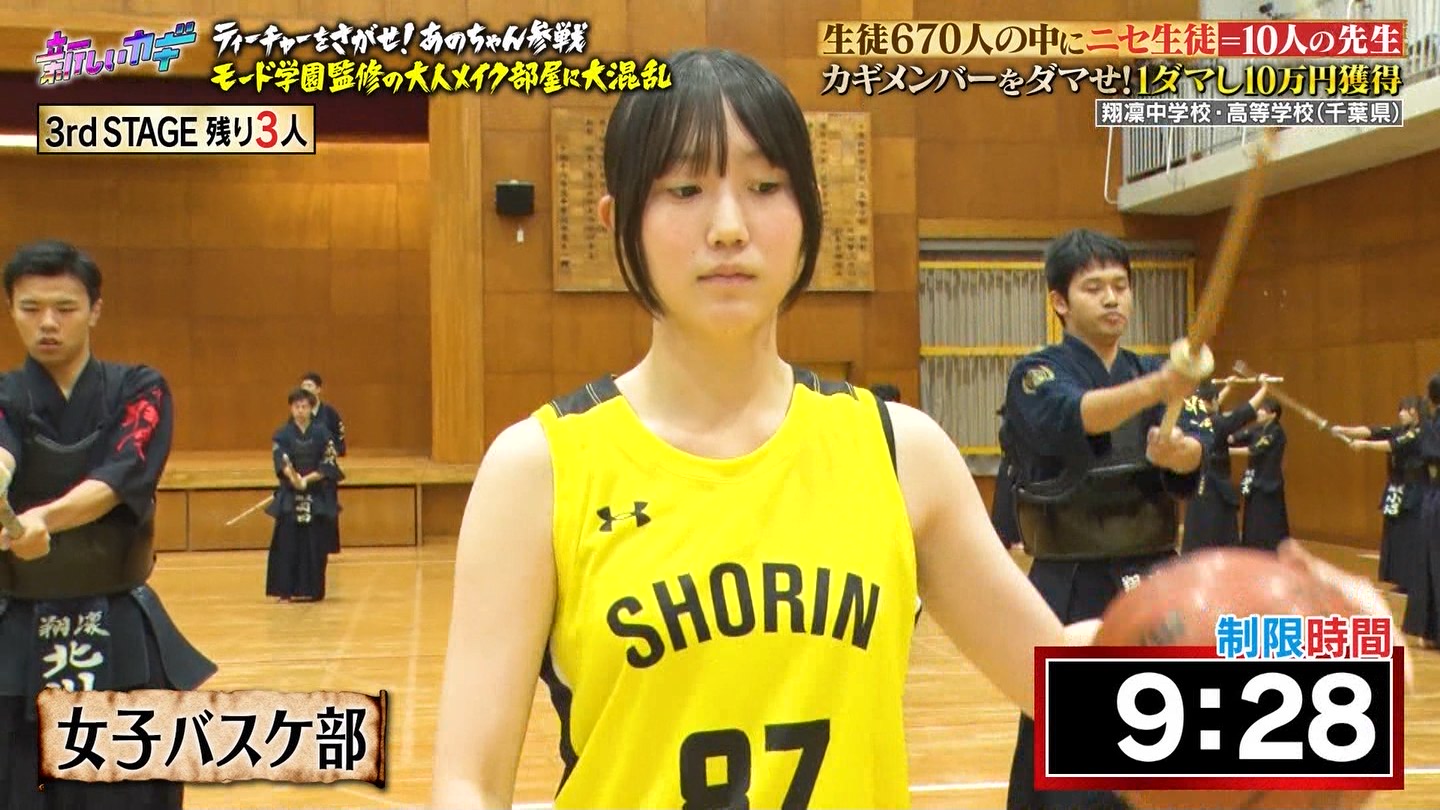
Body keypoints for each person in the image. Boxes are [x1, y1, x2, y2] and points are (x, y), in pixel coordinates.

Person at [425, 49, 1402, 810]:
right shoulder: (541, 467)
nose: (728, 225)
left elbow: (1070, 696)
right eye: (684, 189)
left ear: (808, 215)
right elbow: (468, 778)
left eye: (764, 187)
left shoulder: (899, 453)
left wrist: (1338, 677)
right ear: (616, 222)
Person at [998, 227, 1214, 810]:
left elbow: (1198, 445)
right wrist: (1159, 386)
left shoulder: (1157, 373)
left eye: (1120, 285)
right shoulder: (1037, 375)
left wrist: (1179, 452)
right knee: (1070, 748)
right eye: (1093, 288)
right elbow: (1079, 416)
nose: (1112, 298)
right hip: (1072, 581)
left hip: (1153, 574)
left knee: (1161, 730)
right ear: (1060, 302)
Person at [0, 239, 216, 810]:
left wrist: (43, 519)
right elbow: (4, 448)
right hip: (18, 629)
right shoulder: (5, 396)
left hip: (117, 626)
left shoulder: (140, 389)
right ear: (11, 310)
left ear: (95, 309)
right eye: (30, 308)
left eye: (65, 308)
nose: (48, 323)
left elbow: (120, 475)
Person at [1331, 396, 1428, 593]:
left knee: (1411, 535)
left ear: (1416, 411)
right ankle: (1401, 578)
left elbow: (1393, 445)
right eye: (1400, 409)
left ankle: (1416, 580)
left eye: (1406, 409)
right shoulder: (1400, 430)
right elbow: (1373, 431)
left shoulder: (1420, 433)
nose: (1401, 413)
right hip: (1396, 489)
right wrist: (1344, 430)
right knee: (1395, 534)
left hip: (1414, 491)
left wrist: (1363, 446)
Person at [265, 387, 343, 603]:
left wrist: (306, 480)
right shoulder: (282, 434)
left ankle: (313, 590)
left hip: (316, 494)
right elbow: (281, 461)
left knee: (315, 543)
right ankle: (285, 591)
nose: (300, 410)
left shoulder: (322, 433)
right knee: (287, 543)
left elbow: (328, 464)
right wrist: (294, 478)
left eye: (304, 406)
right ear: (291, 408)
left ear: (311, 408)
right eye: (297, 406)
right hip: (290, 495)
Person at [1180, 377, 1267, 553]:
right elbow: (1244, 413)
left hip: (1196, 484)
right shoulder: (1216, 424)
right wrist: (1264, 388)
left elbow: (1212, 404)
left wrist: (1228, 387)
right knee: (1217, 533)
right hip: (1215, 488)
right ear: (1212, 401)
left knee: (1198, 528)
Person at [1399, 374, 1440, 646]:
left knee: (1433, 562)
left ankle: (1433, 631)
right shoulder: (1431, 425)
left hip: (1435, 499)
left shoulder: (1431, 426)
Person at [1233, 397, 1289, 551]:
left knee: (1268, 518)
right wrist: (1226, 436)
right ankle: (1251, 546)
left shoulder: (1276, 432)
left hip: (1268, 482)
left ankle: (1270, 548)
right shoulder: (1257, 429)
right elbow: (1236, 438)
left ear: (1273, 415)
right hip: (1252, 479)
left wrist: (1228, 451)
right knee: (1251, 517)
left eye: (1263, 410)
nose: (1258, 412)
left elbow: (1254, 450)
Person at [300, 372, 344, 554]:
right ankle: (310, 546)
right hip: (307, 467)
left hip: (326, 467)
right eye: (304, 386)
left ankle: (330, 547)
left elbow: (339, 438)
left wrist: (332, 453)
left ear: (318, 389)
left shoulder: (330, 413)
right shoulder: (300, 413)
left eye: (310, 386)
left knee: (328, 506)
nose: (306, 389)